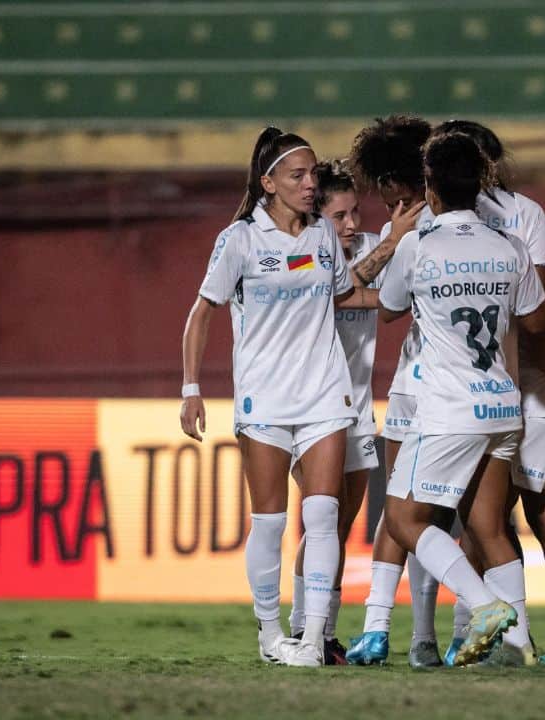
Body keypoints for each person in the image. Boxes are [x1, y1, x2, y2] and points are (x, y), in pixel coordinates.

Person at [376, 131, 545, 667]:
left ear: (430, 187)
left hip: (449, 406)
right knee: (489, 527)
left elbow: (386, 308)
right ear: (480, 184)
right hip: (503, 405)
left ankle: (485, 606)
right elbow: (538, 320)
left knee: (405, 521)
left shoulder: (419, 245)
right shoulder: (510, 246)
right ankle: (518, 646)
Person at [179, 127, 377, 667]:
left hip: (324, 397)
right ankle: (270, 636)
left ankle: (312, 636)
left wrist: (411, 292)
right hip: (264, 401)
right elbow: (201, 315)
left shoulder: (321, 238)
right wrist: (191, 390)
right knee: (269, 522)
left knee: (323, 516)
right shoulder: (239, 240)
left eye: (313, 174)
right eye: (298, 175)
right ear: (268, 183)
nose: (311, 184)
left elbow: (347, 296)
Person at [339, 115, 444, 667]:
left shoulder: (409, 231)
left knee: (402, 511)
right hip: (462, 390)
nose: (377, 198)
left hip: (422, 385)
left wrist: (398, 243)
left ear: (393, 179)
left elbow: (378, 303)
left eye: (380, 184)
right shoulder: (478, 217)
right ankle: (425, 638)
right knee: (440, 515)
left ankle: (383, 629)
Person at [285, 160, 386, 665]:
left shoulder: (368, 247)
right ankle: (307, 628)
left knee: (339, 527)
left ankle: (319, 627)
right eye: (340, 216)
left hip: (360, 410)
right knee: (319, 522)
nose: (351, 225)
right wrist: (386, 254)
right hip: (309, 409)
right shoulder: (297, 256)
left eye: (356, 214)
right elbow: (333, 288)